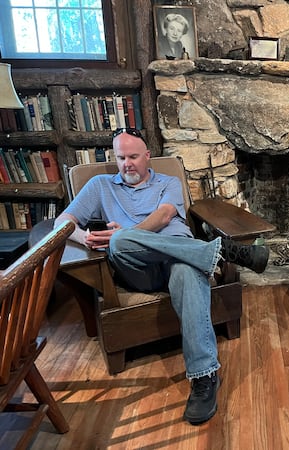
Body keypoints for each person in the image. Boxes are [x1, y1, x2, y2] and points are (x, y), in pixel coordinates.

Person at [54, 127, 269, 425]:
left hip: (179, 259)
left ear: (147, 156)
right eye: (120, 157)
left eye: (133, 156)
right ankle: (219, 251)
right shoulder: (100, 185)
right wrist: (84, 236)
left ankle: (205, 378)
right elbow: (61, 223)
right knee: (119, 242)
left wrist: (127, 233)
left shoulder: (166, 182)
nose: (127, 163)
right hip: (137, 268)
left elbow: (164, 216)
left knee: (181, 265)